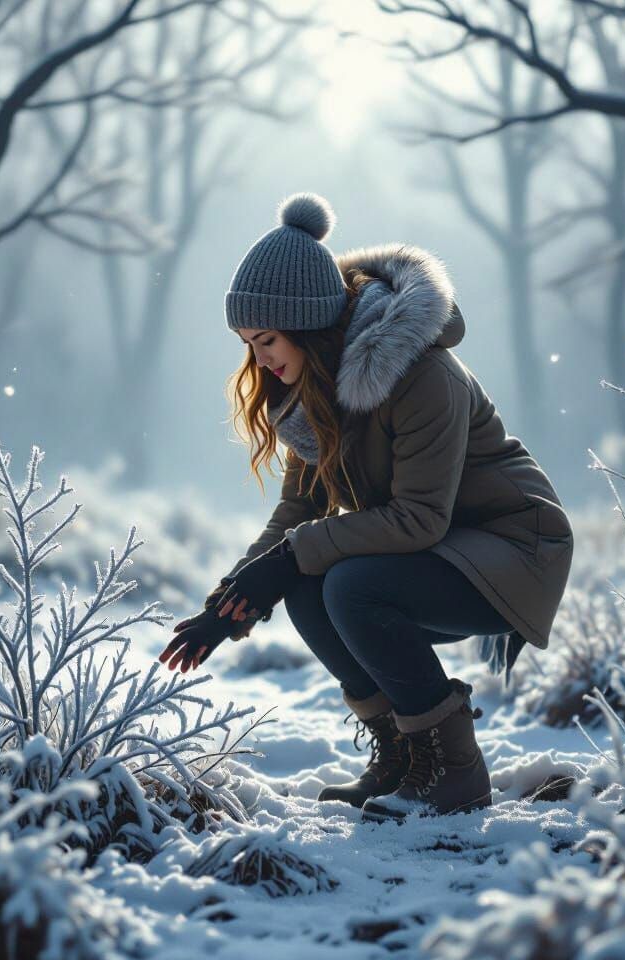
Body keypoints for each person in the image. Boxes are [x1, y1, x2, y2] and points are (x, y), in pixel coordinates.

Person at [158, 192, 573, 823]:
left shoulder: (422, 375)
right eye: (249, 343)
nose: (260, 361)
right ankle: (404, 759)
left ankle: (453, 773)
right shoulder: (312, 394)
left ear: (307, 324)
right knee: (306, 583)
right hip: (441, 550)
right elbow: (295, 518)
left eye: (266, 339)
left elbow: (419, 517)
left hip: (515, 548)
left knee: (349, 584)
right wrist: (233, 599)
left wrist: (287, 559)